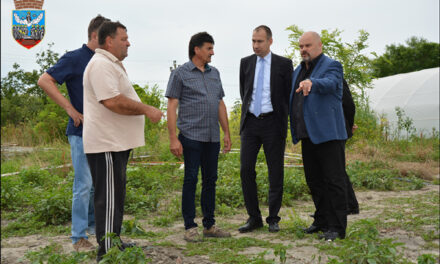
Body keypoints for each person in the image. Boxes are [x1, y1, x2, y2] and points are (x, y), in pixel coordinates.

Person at [82, 21, 163, 260]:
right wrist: (147, 109)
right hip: (105, 143)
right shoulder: (100, 65)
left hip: (116, 143)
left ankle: (113, 242)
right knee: (107, 198)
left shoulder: (110, 64)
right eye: (124, 38)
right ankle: (106, 252)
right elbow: (113, 101)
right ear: (109, 41)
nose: (129, 43)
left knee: (115, 196)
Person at [37, 14, 110, 252]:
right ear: (94, 35)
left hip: (102, 133)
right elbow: (45, 80)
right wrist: (70, 109)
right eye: (107, 36)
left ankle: (91, 228)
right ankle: (78, 237)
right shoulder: (76, 58)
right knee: (83, 184)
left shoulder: (105, 60)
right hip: (81, 132)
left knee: (95, 185)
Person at [166, 32, 232, 242]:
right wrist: (172, 138)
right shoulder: (180, 74)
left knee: (210, 180)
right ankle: (189, 226)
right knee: (191, 178)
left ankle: (209, 225)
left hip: (212, 137)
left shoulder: (215, 74)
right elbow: (172, 105)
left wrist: (227, 133)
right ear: (197, 49)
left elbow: (220, 103)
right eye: (209, 48)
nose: (212, 52)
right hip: (191, 135)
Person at [289, 31, 348, 241]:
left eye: (308, 45)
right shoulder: (298, 70)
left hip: (329, 134)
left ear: (319, 46)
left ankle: (337, 227)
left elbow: (331, 83)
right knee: (315, 181)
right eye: (301, 46)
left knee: (334, 181)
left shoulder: (332, 65)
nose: (304, 50)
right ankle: (321, 220)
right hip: (308, 135)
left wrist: (312, 83)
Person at [238, 25, 293, 233]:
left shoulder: (284, 64)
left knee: (275, 171)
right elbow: (245, 92)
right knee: (246, 170)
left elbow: (288, 95)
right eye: (253, 41)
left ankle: (273, 219)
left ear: (270, 41)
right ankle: (254, 218)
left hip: (273, 123)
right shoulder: (246, 63)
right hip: (251, 123)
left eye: (259, 41)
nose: (255, 45)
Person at [341, 79, 359, 214]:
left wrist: (348, 126)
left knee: (337, 169)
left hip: (339, 129)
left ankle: (350, 205)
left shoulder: (334, 75)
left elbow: (349, 105)